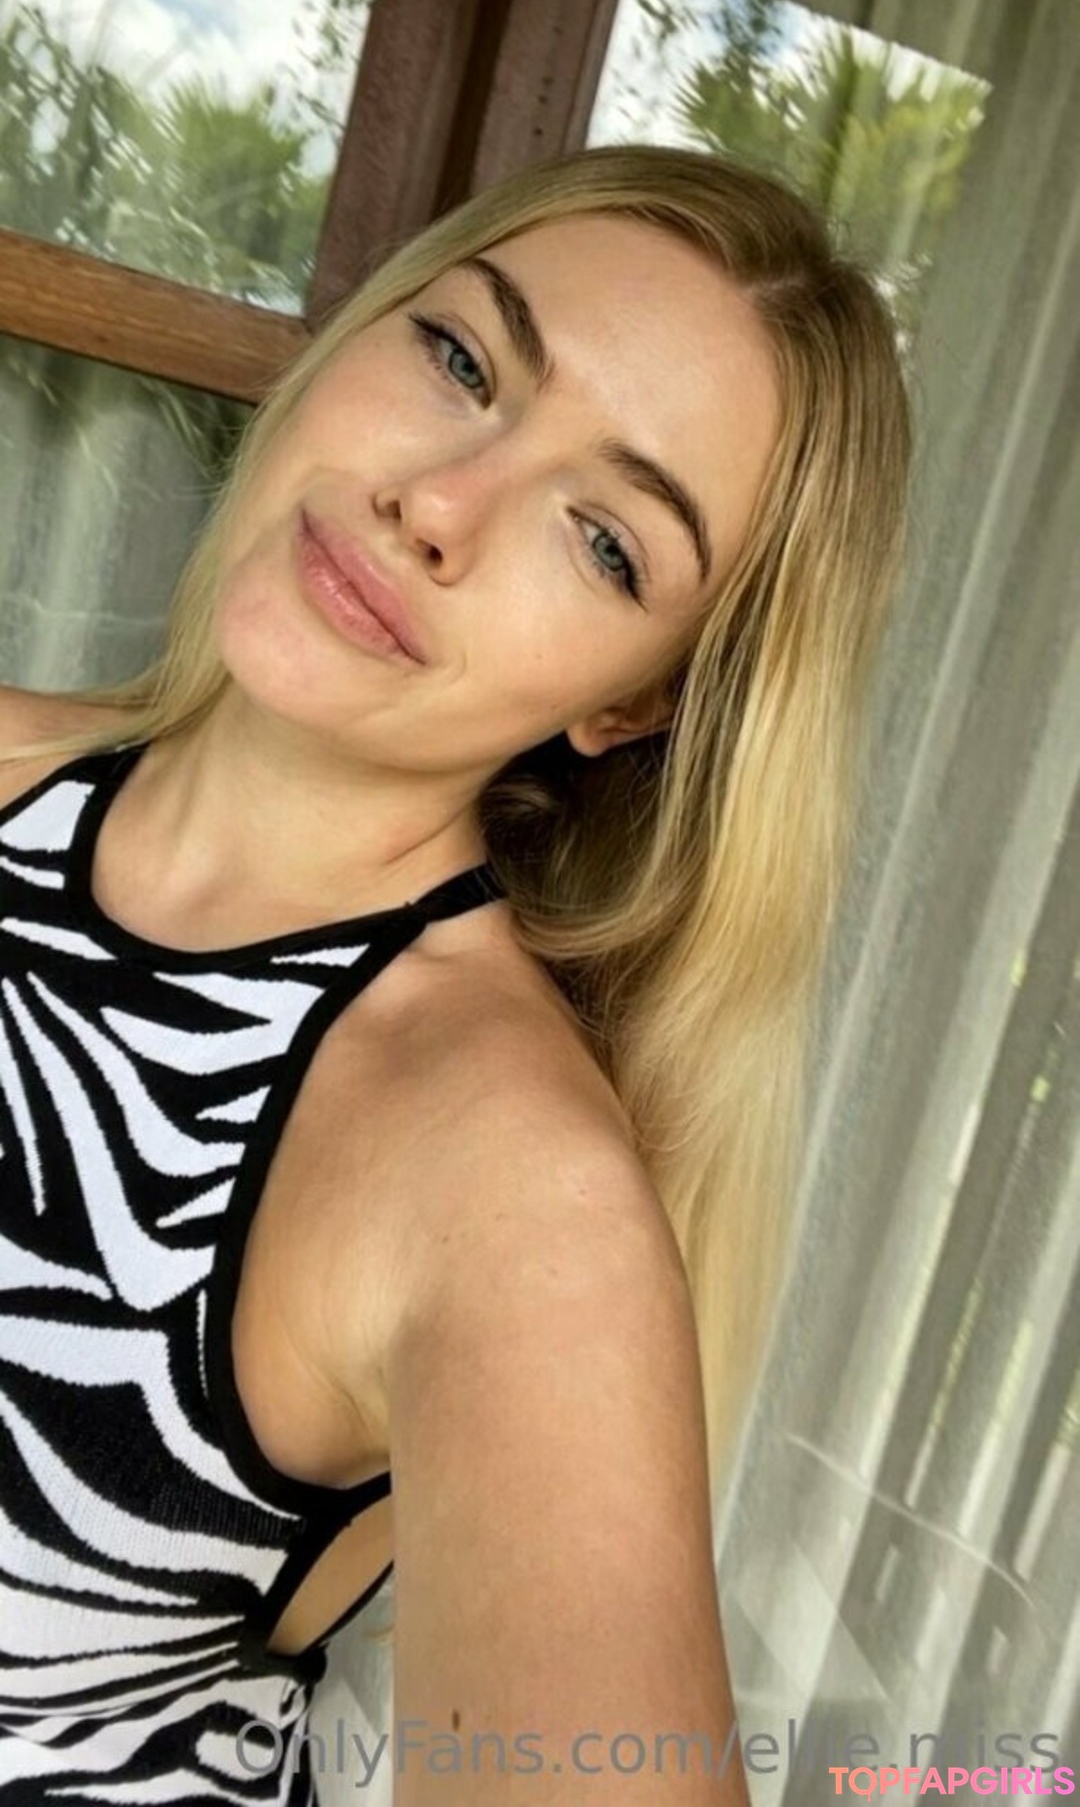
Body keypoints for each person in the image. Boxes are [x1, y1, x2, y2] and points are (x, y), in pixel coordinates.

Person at [0, 143, 911, 1805]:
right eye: (463, 358)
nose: (438, 505)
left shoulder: (508, 1198)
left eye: (605, 542)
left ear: (633, 703)